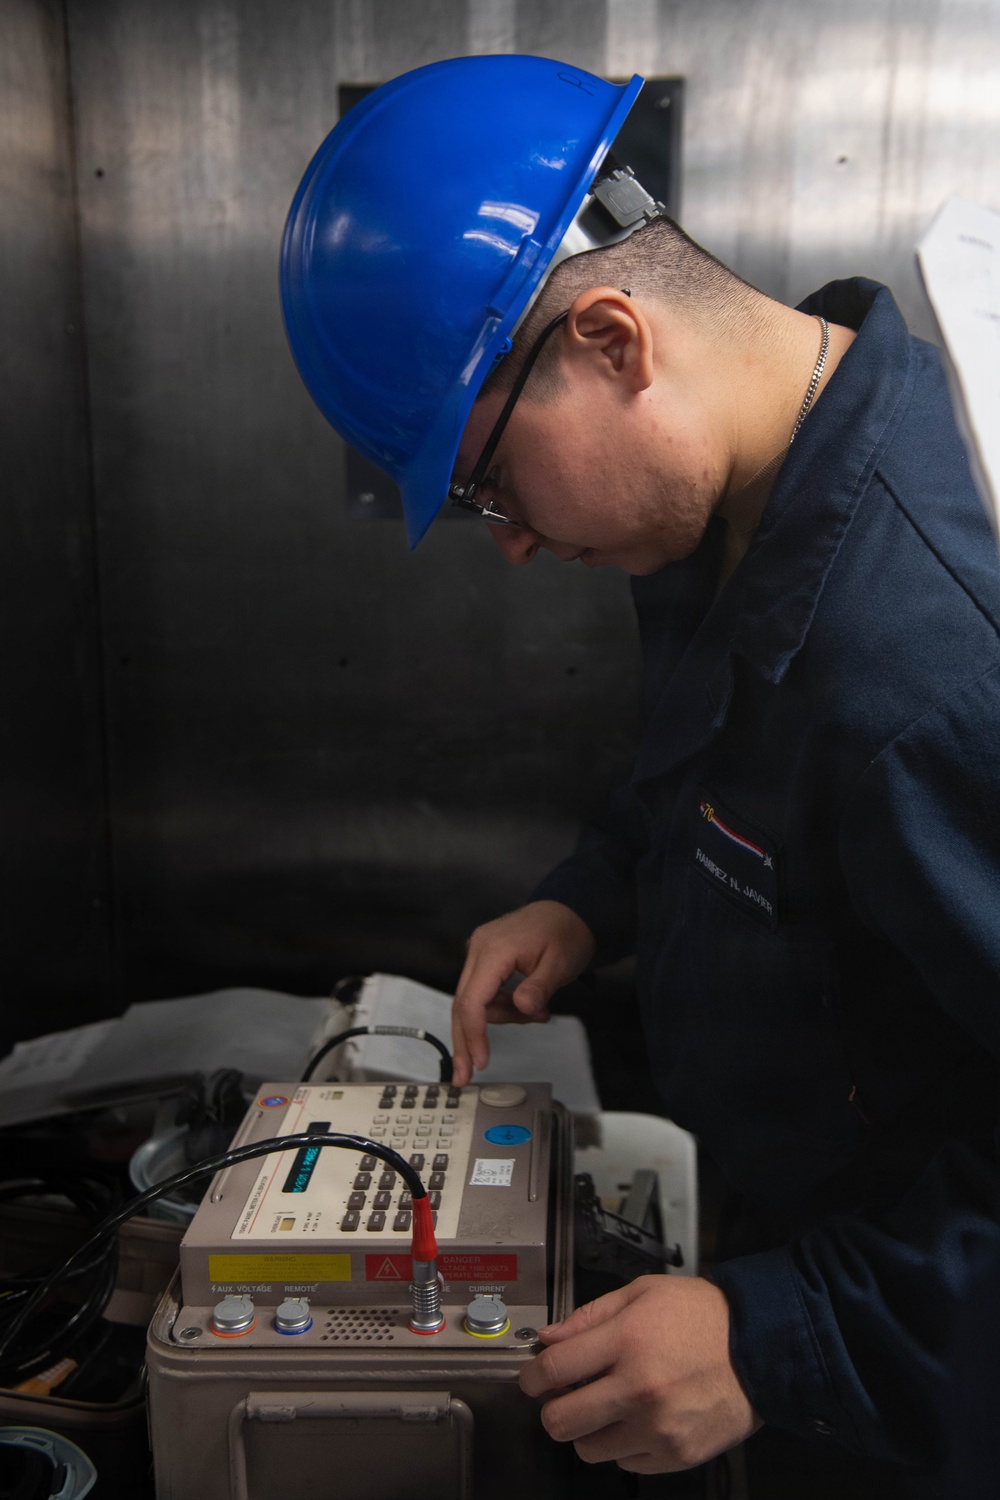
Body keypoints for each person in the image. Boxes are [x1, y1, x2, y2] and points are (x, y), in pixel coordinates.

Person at [281, 54, 1000, 1497]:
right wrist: (590, 896)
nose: (516, 542)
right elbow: (712, 772)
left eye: (490, 483)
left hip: (915, 1372)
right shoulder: (727, 506)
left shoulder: (931, 672)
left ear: (611, 341)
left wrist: (780, 1338)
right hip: (777, 1252)